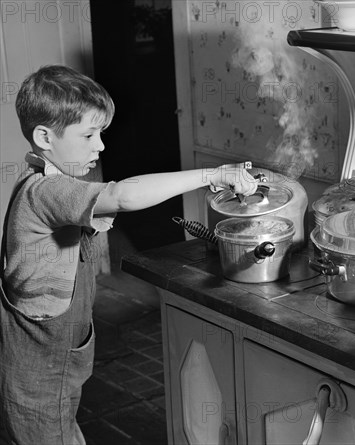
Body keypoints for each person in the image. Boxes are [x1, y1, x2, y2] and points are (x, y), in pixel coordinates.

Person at [0, 65, 257, 444]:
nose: (100, 145)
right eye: (88, 134)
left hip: (56, 354)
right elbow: (122, 195)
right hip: (39, 364)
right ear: (44, 137)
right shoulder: (47, 191)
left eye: (100, 134)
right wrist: (212, 175)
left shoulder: (51, 179)